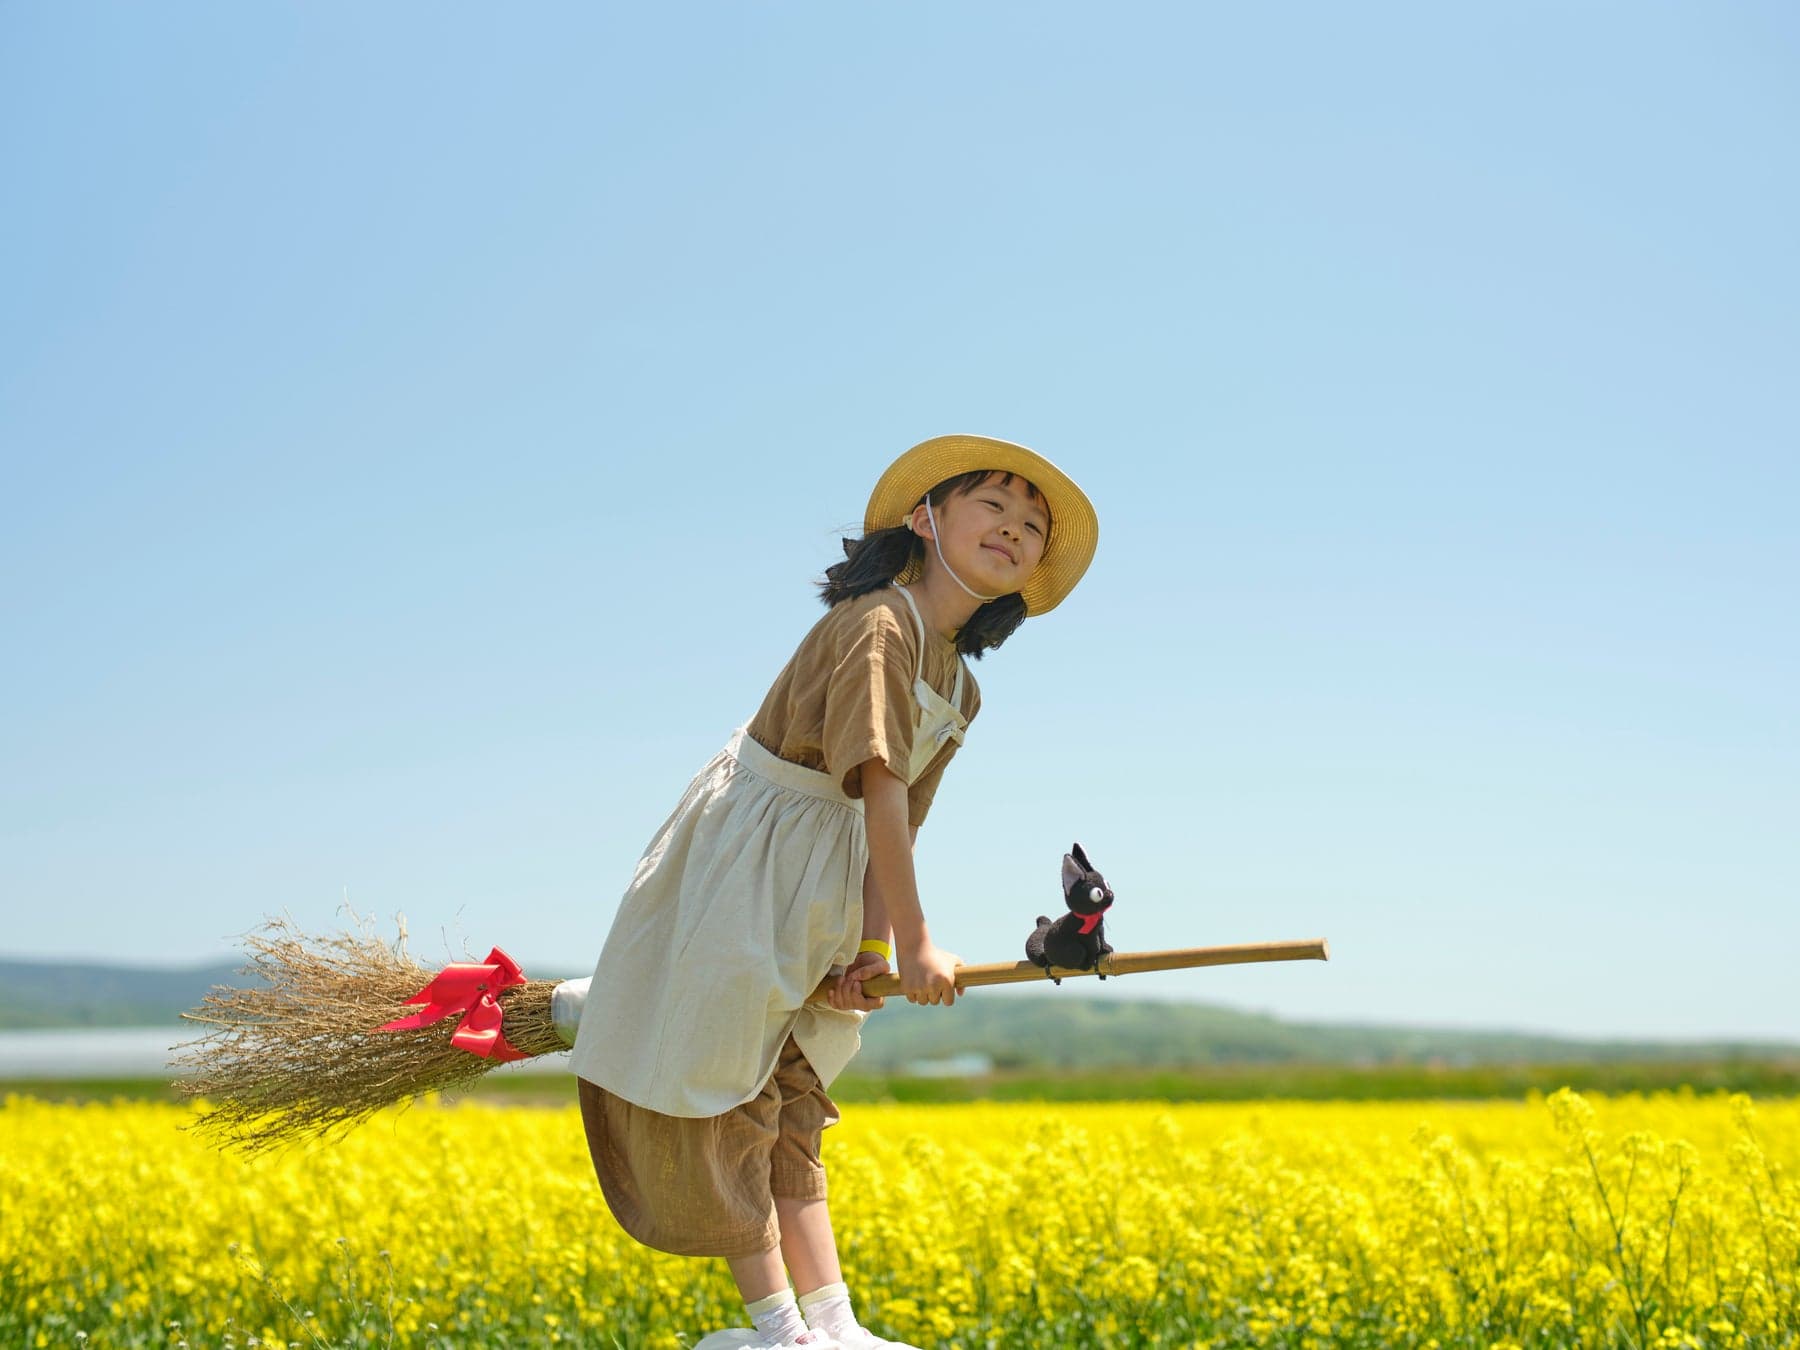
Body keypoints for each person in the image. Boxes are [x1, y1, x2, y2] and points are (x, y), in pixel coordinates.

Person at [568, 434, 1099, 1349]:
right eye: (994, 505)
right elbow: (879, 785)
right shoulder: (878, 623)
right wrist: (918, 942)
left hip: (834, 862)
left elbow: (903, 818)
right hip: (754, 855)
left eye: (1032, 526)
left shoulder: (960, 686)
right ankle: (777, 1328)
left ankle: (834, 1325)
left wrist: (872, 947)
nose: (1014, 529)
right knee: (736, 1081)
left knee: (797, 1083)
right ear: (924, 519)